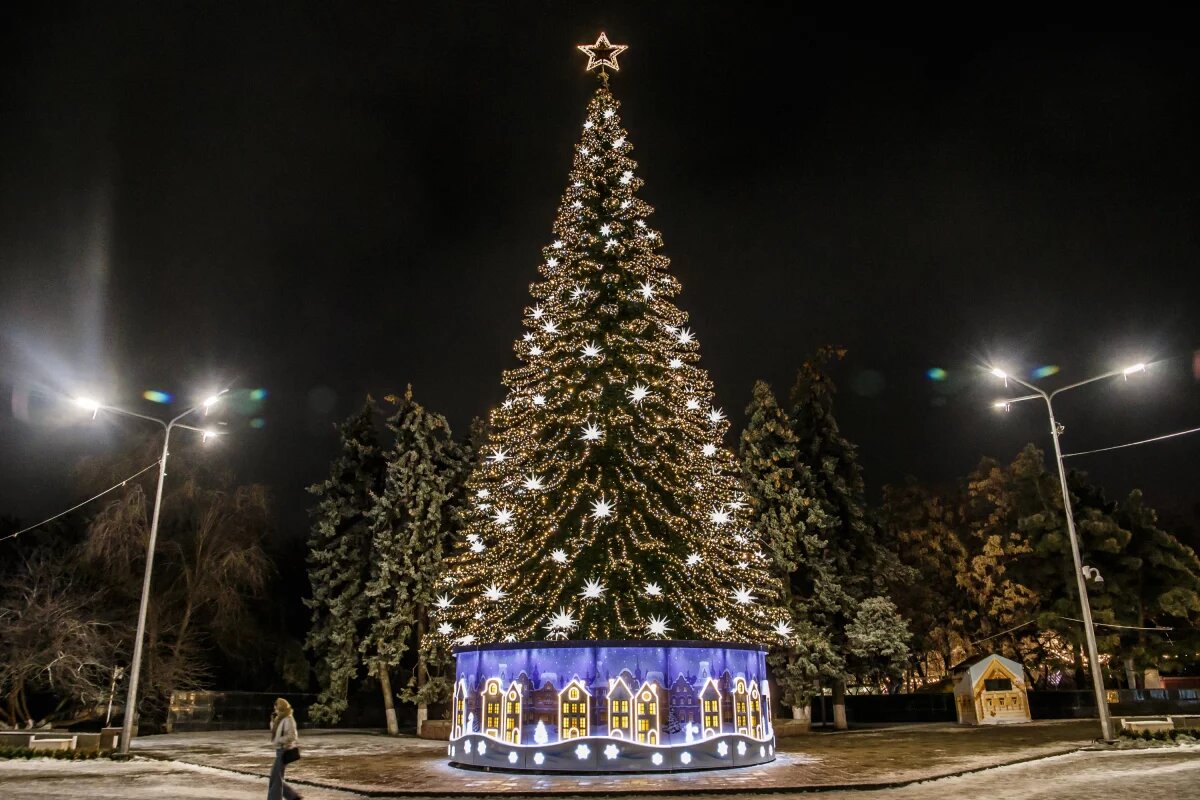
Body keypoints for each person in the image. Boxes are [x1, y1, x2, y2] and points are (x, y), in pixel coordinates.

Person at [268, 698, 301, 800]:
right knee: (277, 777)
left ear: (281, 707)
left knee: (275, 777)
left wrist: (279, 740)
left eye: (276, 707)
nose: (275, 710)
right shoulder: (279, 719)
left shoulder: (289, 719)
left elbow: (293, 736)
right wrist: (272, 722)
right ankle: (293, 796)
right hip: (279, 750)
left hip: (284, 750)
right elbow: (275, 733)